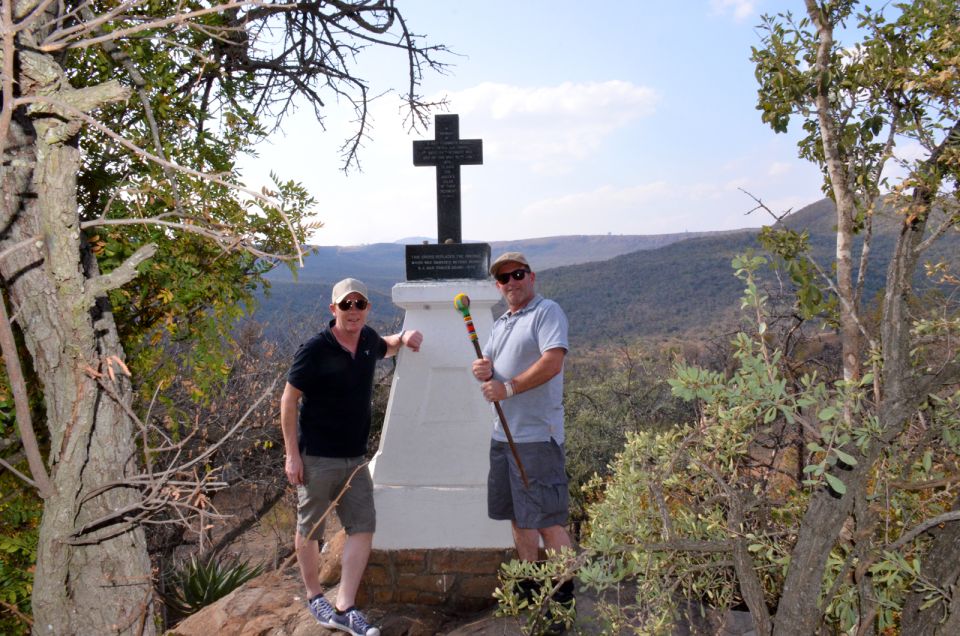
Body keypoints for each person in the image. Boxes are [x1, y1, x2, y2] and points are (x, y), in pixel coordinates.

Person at [280, 277, 422, 636]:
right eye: (346, 305)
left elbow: (385, 347)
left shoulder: (368, 340)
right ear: (334, 309)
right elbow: (288, 400)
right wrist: (292, 455)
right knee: (310, 527)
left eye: (359, 304)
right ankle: (315, 597)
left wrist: (403, 340)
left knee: (362, 527)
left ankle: (345, 605)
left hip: (355, 459)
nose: (353, 311)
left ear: (367, 309)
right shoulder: (315, 349)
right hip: (317, 456)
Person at [471, 252, 575, 633]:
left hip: (535, 438)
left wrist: (509, 386)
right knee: (519, 517)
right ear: (498, 287)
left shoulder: (547, 312)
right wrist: (484, 369)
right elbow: (493, 373)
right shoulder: (502, 323)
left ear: (531, 276)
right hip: (503, 437)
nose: (511, 283)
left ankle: (562, 601)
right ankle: (532, 592)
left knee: (548, 520)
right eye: (503, 279)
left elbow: (553, 362)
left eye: (517, 275)